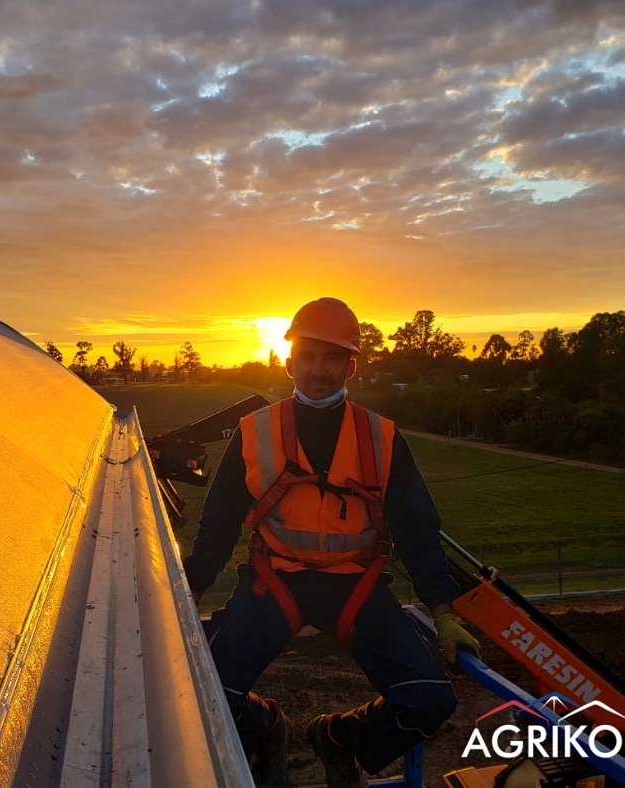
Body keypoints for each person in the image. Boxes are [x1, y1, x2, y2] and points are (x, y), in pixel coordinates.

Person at [183, 297, 480, 787]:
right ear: (289, 359)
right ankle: (263, 726)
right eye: (308, 356)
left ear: (352, 365)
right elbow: (218, 522)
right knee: (201, 696)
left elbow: (416, 528)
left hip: (354, 586)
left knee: (428, 698)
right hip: (274, 581)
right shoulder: (255, 432)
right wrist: (192, 587)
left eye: (332, 358)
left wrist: (443, 609)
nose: (318, 370)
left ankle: (341, 737)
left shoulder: (382, 438)